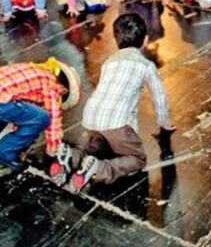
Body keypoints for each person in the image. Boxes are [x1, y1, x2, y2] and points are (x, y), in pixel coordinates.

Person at [50, 13, 174, 193]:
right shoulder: (146, 65)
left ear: (117, 40)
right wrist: (163, 122)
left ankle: (71, 157)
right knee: (136, 159)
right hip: (116, 123)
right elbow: (159, 97)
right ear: (145, 40)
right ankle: (99, 169)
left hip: (92, 116)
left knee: (95, 146)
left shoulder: (109, 62)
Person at [0, 57, 80, 171]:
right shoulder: (52, 85)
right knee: (42, 118)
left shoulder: (36, 70)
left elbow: (21, 115)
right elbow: (53, 120)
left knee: (6, 111)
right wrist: (52, 151)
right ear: (64, 90)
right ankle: (5, 153)